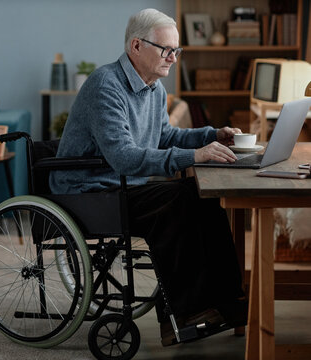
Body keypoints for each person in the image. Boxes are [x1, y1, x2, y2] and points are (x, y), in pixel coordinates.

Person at [49, 8, 247, 346]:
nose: (173, 58)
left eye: (176, 50)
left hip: (121, 187)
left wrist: (212, 135)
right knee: (180, 198)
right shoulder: (105, 85)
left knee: (202, 195)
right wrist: (193, 156)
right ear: (136, 46)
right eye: (166, 49)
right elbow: (124, 157)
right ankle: (183, 314)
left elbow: (164, 137)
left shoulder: (153, 88)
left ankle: (229, 304)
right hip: (87, 192)